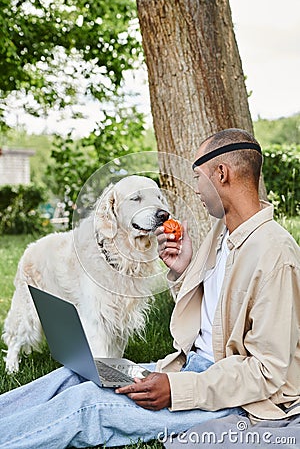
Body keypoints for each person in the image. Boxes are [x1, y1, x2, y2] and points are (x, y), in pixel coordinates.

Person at [0, 128, 299, 449]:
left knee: (88, 406)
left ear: (222, 174)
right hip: (188, 368)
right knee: (70, 378)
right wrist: (183, 271)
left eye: (197, 176)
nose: (195, 188)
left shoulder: (275, 254)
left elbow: (268, 372)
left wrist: (177, 389)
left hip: (231, 393)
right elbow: (216, 319)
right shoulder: (223, 233)